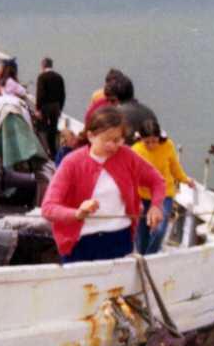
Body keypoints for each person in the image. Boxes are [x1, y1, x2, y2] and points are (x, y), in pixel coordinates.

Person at [41, 107, 165, 263]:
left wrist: (156, 205)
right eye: (108, 140)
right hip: (80, 243)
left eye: (118, 139)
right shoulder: (72, 163)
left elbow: (157, 181)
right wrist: (76, 213)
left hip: (120, 239)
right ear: (91, 136)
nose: (114, 146)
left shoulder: (127, 156)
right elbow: (48, 208)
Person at [132, 119, 195, 255]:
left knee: (159, 229)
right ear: (140, 139)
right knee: (142, 233)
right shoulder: (136, 150)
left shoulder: (168, 145)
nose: (151, 145)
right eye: (147, 142)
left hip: (164, 193)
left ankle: (150, 257)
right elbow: (130, 176)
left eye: (154, 141)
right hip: (142, 195)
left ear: (159, 137)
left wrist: (185, 179)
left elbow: (174, 166)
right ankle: (142, 257)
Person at [35, 57, 66, 158]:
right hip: (56, 106)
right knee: (53, 129)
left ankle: (44, 150)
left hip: (45, 107)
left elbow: (40, 94)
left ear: (43, 66)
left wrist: (38, 109)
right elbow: (62, 94)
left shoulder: (42, 77)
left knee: (42, 128)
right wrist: (60, 108)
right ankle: (53, 152)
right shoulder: (59, 77)